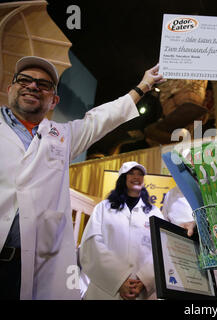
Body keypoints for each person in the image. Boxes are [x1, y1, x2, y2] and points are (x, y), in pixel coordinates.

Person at [0, 56, 164, 300]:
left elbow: (103, 118)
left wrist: (144, 86)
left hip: (37, 266)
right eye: (24, 80)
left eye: (43, 85)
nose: (33, 86)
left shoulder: (62, 136)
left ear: (54, 100)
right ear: (9, 88)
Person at [79, 161, 165, 300]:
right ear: (122, 178)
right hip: (106, 291)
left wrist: (145, 280)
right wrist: (118, 280)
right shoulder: (103, 208)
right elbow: (92, 244)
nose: (136, 177)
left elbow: (162, 250)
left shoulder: (154, 213)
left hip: (142, 290)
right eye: (131, 173)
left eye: (140, 174)